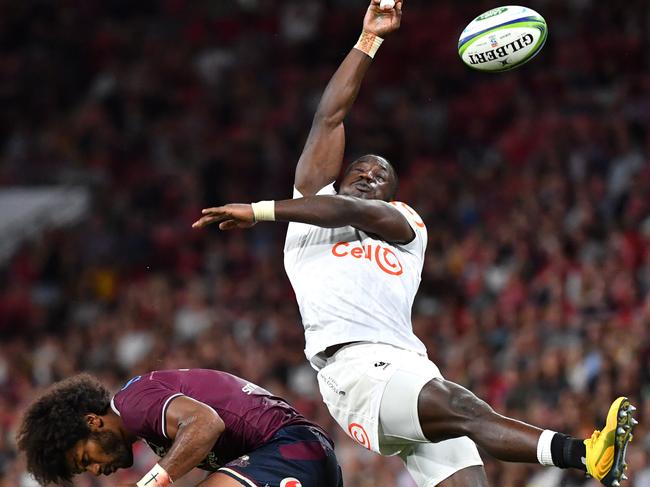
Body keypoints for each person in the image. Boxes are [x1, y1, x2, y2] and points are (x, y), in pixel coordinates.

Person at [192, 1, 637, 486]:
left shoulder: (406, 226)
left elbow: (355, 211)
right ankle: (585, 451)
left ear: (392, 195)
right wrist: (369, 40)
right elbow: (330, 119)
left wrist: (258, 211)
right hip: (356, 370)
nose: (368, 175)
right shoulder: (309, 216)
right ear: (336, 180)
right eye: (358, 170)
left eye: (381, 175)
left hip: (408, 365)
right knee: (463, 406)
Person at [17, 369, 342, 487]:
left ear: (92, 422)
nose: (97, 469)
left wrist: (150, 483)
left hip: (292, 450)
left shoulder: (133, 403)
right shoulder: (146, 422)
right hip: (305, 456)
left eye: (86, 458)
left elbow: (206, 423)